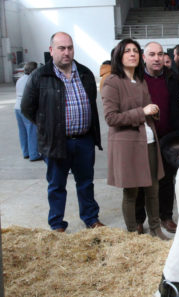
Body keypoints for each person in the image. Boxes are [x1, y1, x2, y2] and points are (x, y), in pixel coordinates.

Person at [21, 32, 104, 232]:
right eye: (61, 48)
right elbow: (27, 108)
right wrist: (48, 127)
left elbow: (91, 102)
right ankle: (57, 224)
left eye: (70, 48)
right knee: (57, 186)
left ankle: (91, 218)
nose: (67, 52)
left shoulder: (84, 73)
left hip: (84, 140)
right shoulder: (40, 76)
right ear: (51, 50)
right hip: (57, 142)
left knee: (85, 183)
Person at [101, 38, 168, 240]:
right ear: (119, 56)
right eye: (127, 51)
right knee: (131, 192)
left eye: (136, 51)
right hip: (127, 145)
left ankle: (155, 228)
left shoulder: (139, 81)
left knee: (153, 188)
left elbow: (147, 110)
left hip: (147, 141)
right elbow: (111, 118)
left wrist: (153, 112)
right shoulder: (112, 81)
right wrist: (142, 111)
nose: (133, 54)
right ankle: (131, 234)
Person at [135, 41, 177, 235]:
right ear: (144, 57)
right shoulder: (136, 80)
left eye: (160, 54)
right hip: (144, 138)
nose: (157, 58)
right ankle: (138, 220)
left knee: (167, 180)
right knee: (142, 181)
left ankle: (166, 216)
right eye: (152, 54)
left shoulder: (172, 78)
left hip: (168, 138)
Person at [15, 61, 41, 161]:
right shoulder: (32, 79)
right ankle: (34, 154)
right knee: (32, 130)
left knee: (22, 130)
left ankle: (26, 152)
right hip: (26, 108)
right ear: (34, 70)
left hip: (17, 107)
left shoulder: (20, 79)